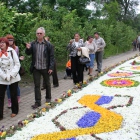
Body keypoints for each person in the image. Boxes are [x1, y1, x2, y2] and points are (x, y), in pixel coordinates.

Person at [25, 27, 54, 109]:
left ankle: (48, 98)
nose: (39, 34)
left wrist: (51, 67)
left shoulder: (48, 45)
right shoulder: (33, 43)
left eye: (40, 33)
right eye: (37, 33)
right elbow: (28, 53)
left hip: (45, 67)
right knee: (37, 85)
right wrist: (27, 49)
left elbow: (52, 57)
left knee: (47, 84)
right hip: (36, 68)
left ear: (44, 34)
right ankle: (37, 102)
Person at [0, 37, 21, 120]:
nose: (1, 44)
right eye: (0, 43)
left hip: (13, 77)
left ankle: (15, 111)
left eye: (3, 43)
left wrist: (12, 75)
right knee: (0, 96)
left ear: (6, 44)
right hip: (2, 78)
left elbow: (17, 64)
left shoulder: (12, 51)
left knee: (13, 94)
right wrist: (4, 76)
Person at [6, 34, 24, 108]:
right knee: (7, 85)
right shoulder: (4, 49)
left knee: (15, 85)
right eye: (9, 40)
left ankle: (18, 97)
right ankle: (9, 100)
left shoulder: (16, 48)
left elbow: (16, 59)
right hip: (7, 70)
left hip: (15, 69)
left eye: (11, 40)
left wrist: (19, 59)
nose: (10, 41)